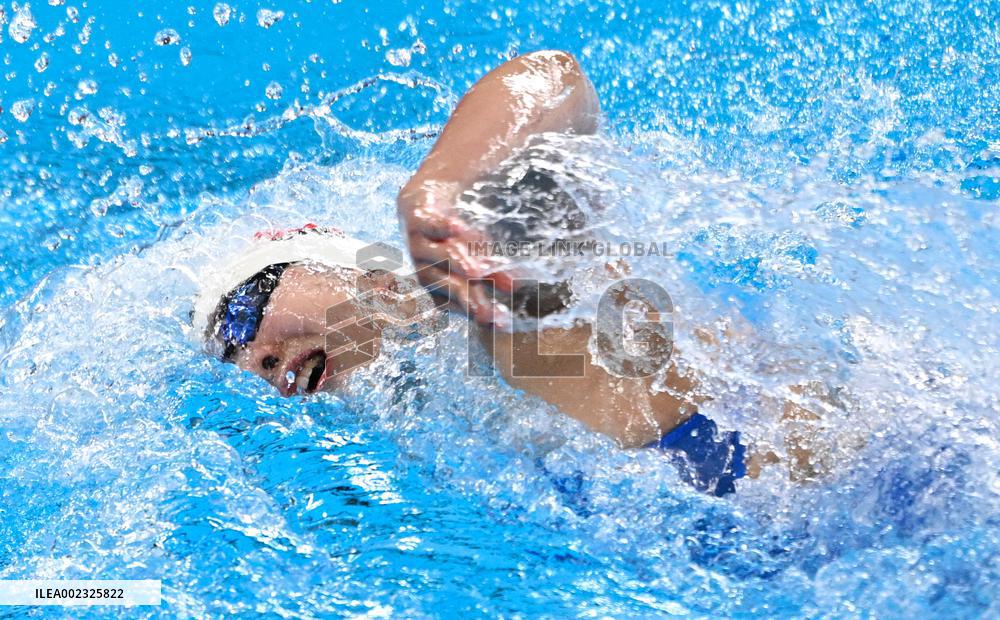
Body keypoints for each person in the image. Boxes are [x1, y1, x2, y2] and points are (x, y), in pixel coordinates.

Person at [193, 51, 835, 496]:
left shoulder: (491, 289)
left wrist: (439, 189)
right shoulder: (429, 421)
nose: (252, 359)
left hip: (863, 482)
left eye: (243, 314)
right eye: (230, 356)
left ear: (358, 273)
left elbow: (555, 79)